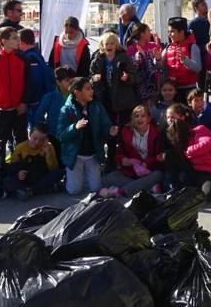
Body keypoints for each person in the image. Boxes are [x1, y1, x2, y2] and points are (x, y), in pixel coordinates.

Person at [57, 77, 118, 195]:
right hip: (76, 156)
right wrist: (74, 128)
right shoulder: (66, 110)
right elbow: (60, 135)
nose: (92, 91)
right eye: (87, 89)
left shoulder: (96, 106)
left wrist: (110, 130)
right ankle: (66, 179)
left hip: (92, 155)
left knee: (96, 189)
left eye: (91, 88)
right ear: (77, 92)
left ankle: (82, 176)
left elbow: (106, 124)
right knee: (74, 190)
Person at [90, 31, 138, 168]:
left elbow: (135, 78)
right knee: (109, 132)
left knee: (123, 132)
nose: (109, 46)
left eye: (112, 43)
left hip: (123, 101)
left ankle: (124, 159)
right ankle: (110, 160)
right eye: (107, 44)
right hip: (105, 100)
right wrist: (94, 79)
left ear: (116, 45)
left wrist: (127, 77)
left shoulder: (124, 58)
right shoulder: (97, 59)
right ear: (102, 46)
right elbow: (90, 79)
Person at [0, 27, 31, 164]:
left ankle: (21, 166)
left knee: (21, 139)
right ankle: (1, 169)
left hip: (19, 107)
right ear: (4, 41)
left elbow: (29, 82)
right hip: (1, 107)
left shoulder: (23, 58)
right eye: (15, 38)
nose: (18, 40)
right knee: (1, 140)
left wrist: (24, 102)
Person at [101, 105, 165, 197]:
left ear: (149, 118)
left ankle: (121, 191)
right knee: (109, 177)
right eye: (136, 116)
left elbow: (159, 156)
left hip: (150, 170)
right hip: (132, 170)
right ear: (132, 119)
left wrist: (147, 163)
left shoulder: (157, 133)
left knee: (158, 175)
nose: (139, 118)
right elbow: (119, 153)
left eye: (143, 116)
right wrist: (123, 160)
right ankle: (146, 187)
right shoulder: (126, 131)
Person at [165, 104, 211, 201]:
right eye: (168, 117)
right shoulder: (170, 134)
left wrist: (187, 151)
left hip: (209, 171)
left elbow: (208, 142)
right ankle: (174, 189)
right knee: (169, 156)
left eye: (172, 117)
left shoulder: (197, 130)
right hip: (193, 171)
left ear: (182, 117)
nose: (170, 120)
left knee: (208, 196)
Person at [2, 123, 62, 200]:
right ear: (30, 135)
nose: (37, 142)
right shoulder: (21, 147)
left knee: (58, 173)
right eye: (34, 138)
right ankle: (39, 190)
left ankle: (30, 191)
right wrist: (18, 173)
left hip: (41, 177)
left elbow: (53, 168)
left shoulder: (49, 147)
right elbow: (11, 167)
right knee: (6, 181)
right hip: (26, 178)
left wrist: (47, 154)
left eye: (41, 140)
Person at [34, 66, 74, 164]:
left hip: (72, 135)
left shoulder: (76, 95)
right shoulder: (50, 97)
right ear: (58, 82)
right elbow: (38, 116)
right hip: (53, 136)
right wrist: (44, 133)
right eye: (67, 80)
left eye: (72, 80)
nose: (71, 83)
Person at [19, 29, 56, 129]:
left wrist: (30, 99)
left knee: (35, 126)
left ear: (21, 43)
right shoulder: (37, 54)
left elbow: (35, 80)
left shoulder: (29, 57)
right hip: (42, 95)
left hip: (35, 99)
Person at [162, 16, 202, 103]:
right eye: (168, 32)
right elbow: (159, 65)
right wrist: (157, 59)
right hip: (173, 91)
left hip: (189, 89)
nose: (169, 34)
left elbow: (198, 68)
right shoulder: (168, 47)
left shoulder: (192, 47)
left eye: (172, 31)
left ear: (181, 32)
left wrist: (184, 59)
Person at [127, 23, 163, 107]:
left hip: (154, 84)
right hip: (140, 86)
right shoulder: (131, 49)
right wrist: (139, 58)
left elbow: (160, 66)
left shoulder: (153, 45)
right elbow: (132, 69)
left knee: (153, 109)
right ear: (142, 34)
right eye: (148, 31)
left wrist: (158, 58)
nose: (150, 33)